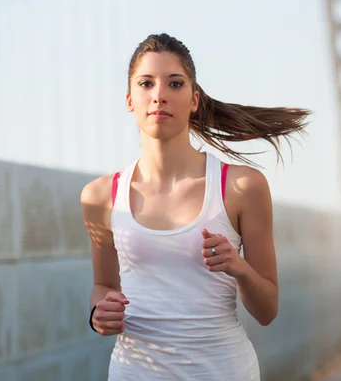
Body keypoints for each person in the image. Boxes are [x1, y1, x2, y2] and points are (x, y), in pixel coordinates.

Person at [80, 33, 310, 380]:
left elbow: (267, 310)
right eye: (146, 83)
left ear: (193, 100)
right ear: (130, 99)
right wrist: (98, 313)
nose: (159, 95)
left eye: (175, 83)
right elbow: (104, 286)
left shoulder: (241, 187)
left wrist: (239, 267)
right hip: (135, 372)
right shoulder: (100, 196)